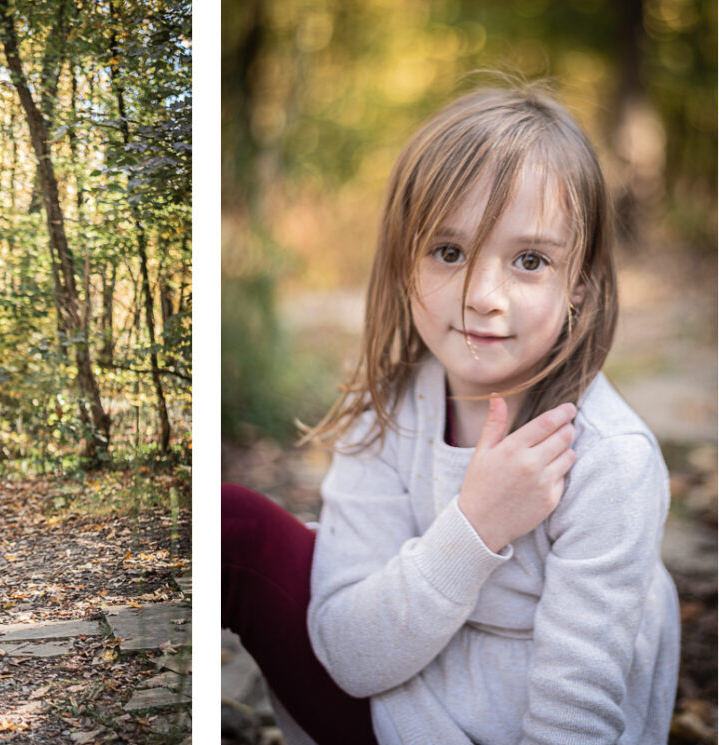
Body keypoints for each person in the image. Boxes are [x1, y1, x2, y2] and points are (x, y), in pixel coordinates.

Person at [222, 82, 679, 745]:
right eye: (449, 251)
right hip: (395, 709)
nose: (482, 296)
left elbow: (574, 721)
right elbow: (347, 655)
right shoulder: (388, 411)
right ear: (405, 263)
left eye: (530, 260)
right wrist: (476, 525)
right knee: (232, 523)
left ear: (580, 280)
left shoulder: (612, 460)